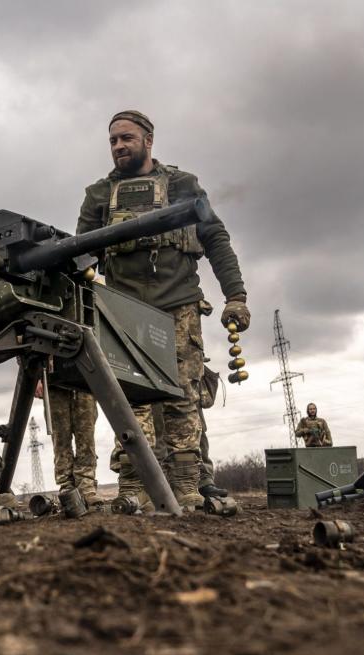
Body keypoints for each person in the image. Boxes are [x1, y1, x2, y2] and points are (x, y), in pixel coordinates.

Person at [77, 110, 250, 510]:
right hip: (123, 311)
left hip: (179, 305)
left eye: (127, 138)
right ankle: (134, 487)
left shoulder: (182, 184)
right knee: (128, 400)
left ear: (148, 140)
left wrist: (235, 295)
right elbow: (80, 253)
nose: (119, 146)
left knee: (182, 397)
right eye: (113, 141)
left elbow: (216, 239)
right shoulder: (98, 195)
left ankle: (188, 484)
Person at [45, 385, 104, 508]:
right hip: (53, 379)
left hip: (84, 378)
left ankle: (86, 486)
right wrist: (37, 378)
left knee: (86, 437)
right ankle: (67, 487)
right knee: (60, 439)